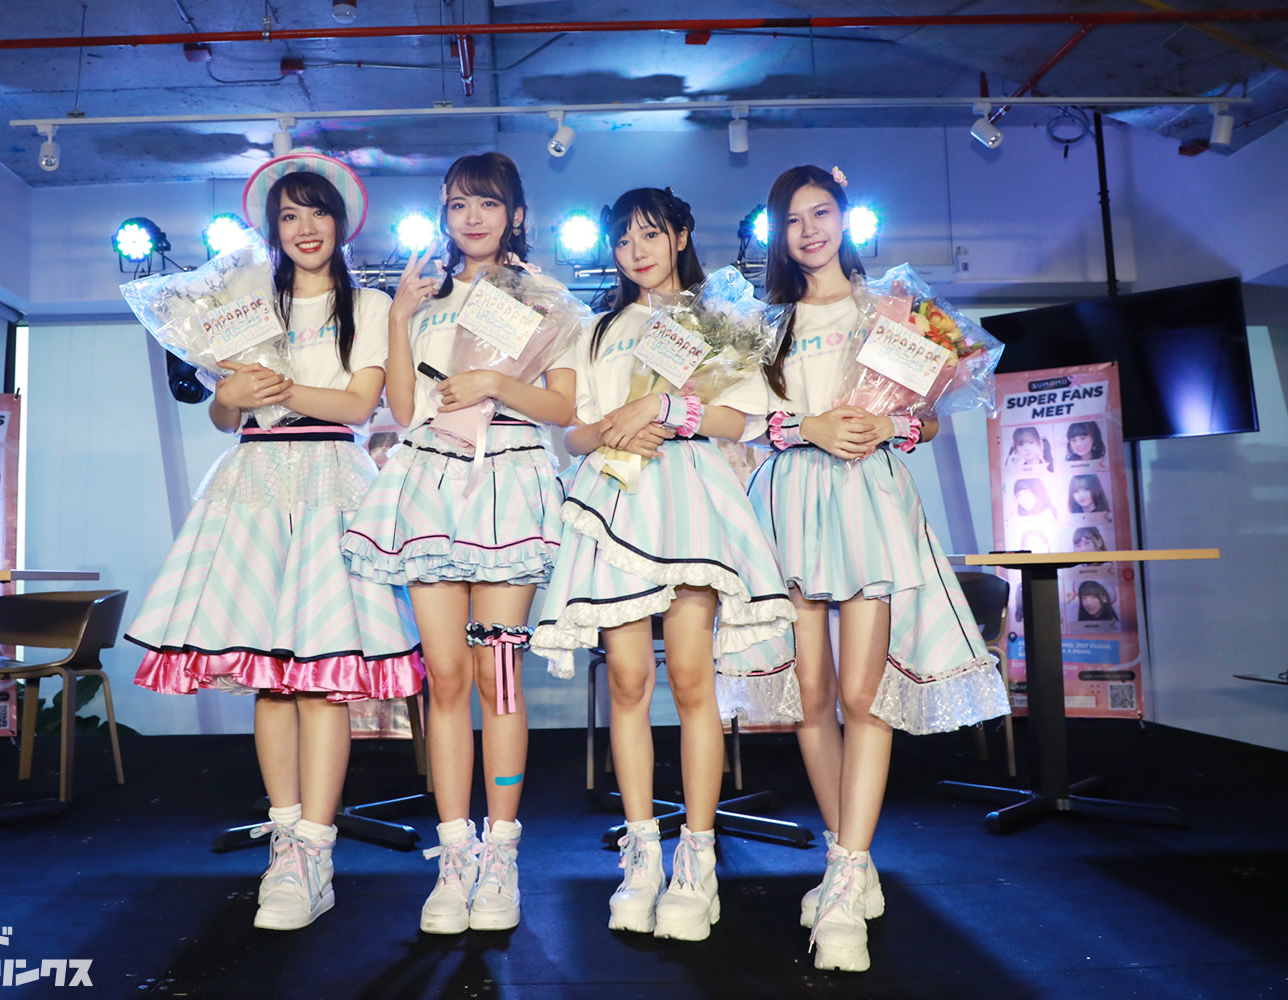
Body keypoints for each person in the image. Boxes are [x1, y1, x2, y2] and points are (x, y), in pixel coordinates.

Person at [125, 154, 423, 933]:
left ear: (342, 222)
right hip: (254, 484)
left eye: (317, 211)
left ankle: (315, 853)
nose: (304, 227)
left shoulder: (371, 303)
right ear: (272, 229)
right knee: (272, 679)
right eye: (288, 216)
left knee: (321, 677)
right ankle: (284, 841)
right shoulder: (245, 302)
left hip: (331, 481)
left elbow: (359, 404)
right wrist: (227, 394)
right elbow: (227, 416)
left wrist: (282, 388)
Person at [745, 165, 1009, 972]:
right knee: (810, 697)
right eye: (794, 219)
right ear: (778, 234)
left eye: (821, 212)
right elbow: (746, 421)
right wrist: (807, 426)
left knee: (864, 696)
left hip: (868, 498)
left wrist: (892, 426)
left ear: (846, 219)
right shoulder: (764, 324)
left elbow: (929, 420)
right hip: (791, 502)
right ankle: (846, 861)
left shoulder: (894, 311)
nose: (809, 230)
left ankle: (848, 872)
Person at [530, 188, 797, 942]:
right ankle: (641, 851)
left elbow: (748, 418)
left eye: (650, 234)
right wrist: (615, 428)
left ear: (680, 235)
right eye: (623, 241)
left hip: (689, 497)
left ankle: (697, 855)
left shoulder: (720, 318)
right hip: (616, 499)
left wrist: (668, 412)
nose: (636, 251)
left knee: (689, 678)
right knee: (626, 680)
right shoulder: (597, 328)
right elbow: (573, 433)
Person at [340, 152, 575, 935]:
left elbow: (565, 408)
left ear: (516, 214)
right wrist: (399, 318)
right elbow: (405, 410)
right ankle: (453, 854)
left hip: (508, 476)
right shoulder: (425, 299)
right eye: (458, 205)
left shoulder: (544, 299)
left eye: (488, 203)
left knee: (497, 673)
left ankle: (501, 852)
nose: (472, 218)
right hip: (431, 484)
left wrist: (498, 385)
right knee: (444, 677)